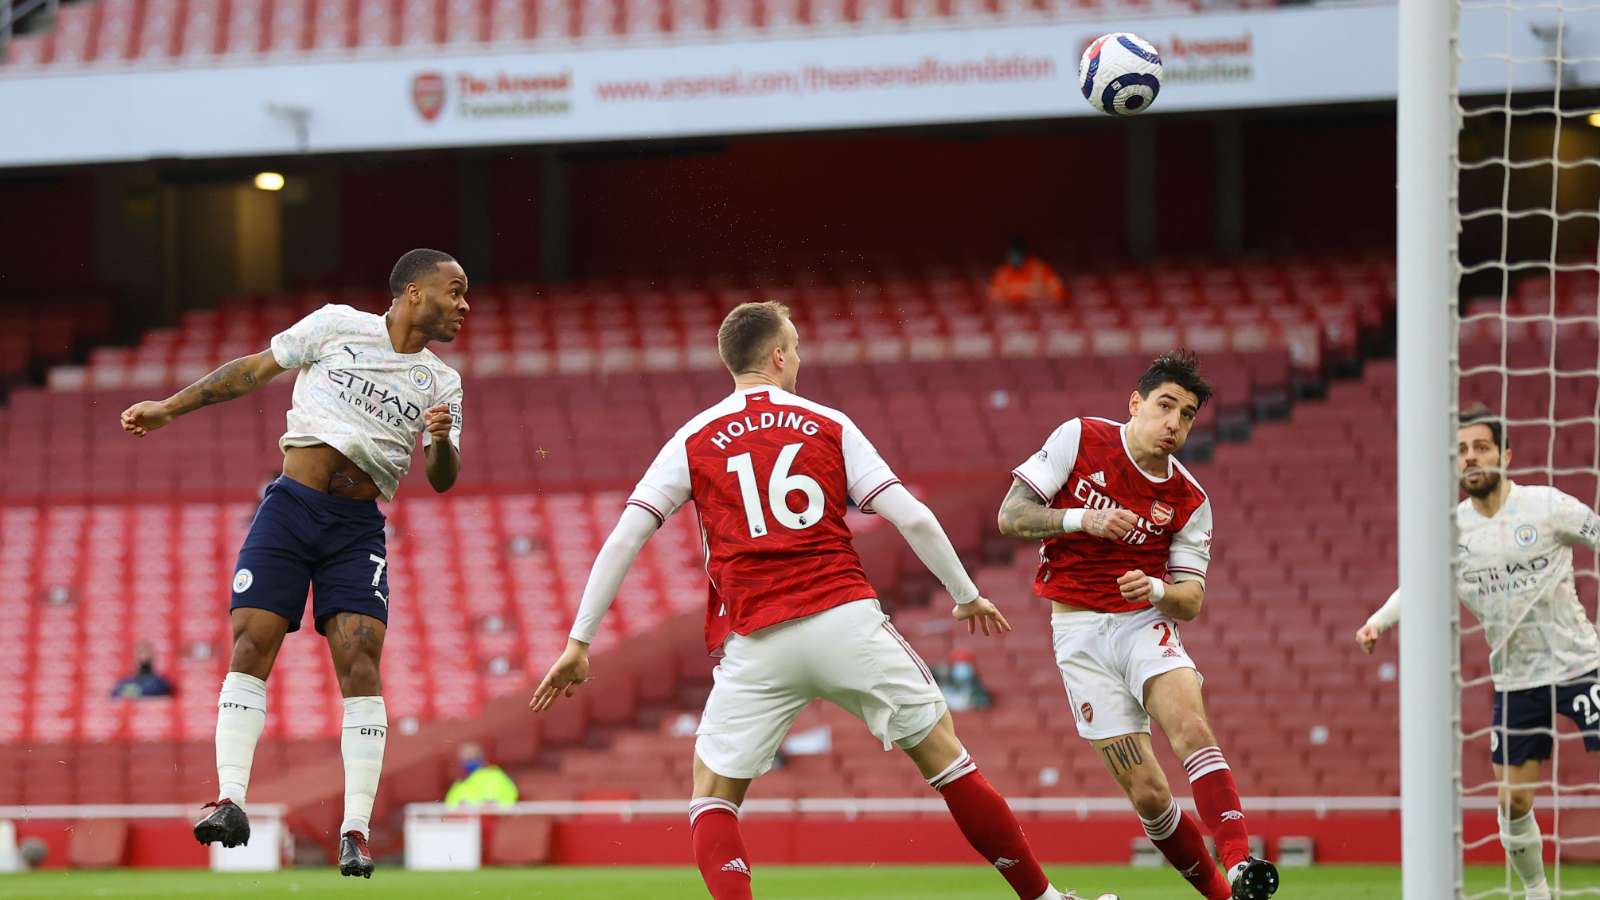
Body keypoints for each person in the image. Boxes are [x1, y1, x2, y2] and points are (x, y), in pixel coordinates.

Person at [531, 302, 1115, 900]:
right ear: (779, 355)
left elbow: (627, 535)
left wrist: (579, 644)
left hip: (756, 638)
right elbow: (910, 514)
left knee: (712, 797)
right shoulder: (828, 423)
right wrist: (965, 595)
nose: (800, 358)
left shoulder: (693, 437)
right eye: (798, 347)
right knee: (948, 761)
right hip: (844, 620)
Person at [118, 248, 468, 879]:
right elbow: (254, 369)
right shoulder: (337, 324)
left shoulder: (441, 382)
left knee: (360, 662)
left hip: (357, 529)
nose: (464, 305)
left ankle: (355, 830)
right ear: (414, 292)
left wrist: (440, 441)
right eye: (455, 291)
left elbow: (442, 480)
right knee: (252, 641)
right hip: (290, 508)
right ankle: (229, 800)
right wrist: (169, 407)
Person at [996, 350, 1278, 900]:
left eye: (1188, 414)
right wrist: (1085, 519)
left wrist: (1153, 590)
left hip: (1142, 624)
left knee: (1191, 728)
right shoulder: (1080, 438)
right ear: (1135, 403)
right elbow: (1011, 515)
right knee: (1149, 794)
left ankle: (1240, 864)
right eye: (1165, 406)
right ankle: (1221, 894)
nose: (1174, 423)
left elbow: (1190, 600)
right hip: (1077, 635)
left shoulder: (1190, 500)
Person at [1357, 406, 1600, 900]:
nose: (1471, 458)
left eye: (1482, 448)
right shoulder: (1451, 531)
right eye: (1462, 450)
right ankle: (1537, 891)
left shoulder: (1547, 506)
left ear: (1505, 455)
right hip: (1516, 679)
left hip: (1581, 664)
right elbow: (1419, 584)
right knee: (1512, 801)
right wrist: (1378, 621)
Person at [988, 238, 1065, 305]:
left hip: (1037, 315)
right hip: (1011, 316)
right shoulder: (1003, 272)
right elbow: (994, 299)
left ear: (1025, 254)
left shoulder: (1039, 268)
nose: (1015, 259)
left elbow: (1059, 292)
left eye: (1018, 254)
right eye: (1012, 255)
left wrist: (1044, 294)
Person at [444, 741, 519, 808]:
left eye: (472, 756)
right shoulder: (458, 786)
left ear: (481, 756)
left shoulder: (496, 776)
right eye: (466, 758)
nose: (469, 760)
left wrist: (492, 806)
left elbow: (510, 800)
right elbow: (449, 810)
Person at [933, 648, 993, 712]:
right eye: (957, 665)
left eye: (965, 665)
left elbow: (984, 705)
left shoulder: (978, 689)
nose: (961, 669)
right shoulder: (941, 683)